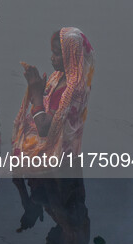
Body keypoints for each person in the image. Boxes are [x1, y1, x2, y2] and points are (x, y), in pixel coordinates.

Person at [12, 27, 95, 159]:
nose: (52, 58)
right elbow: (52, 109)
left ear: (71, 56)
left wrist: (37, 93)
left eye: (56, 54)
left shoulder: (69, 90)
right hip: (69, 155)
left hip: (53, 161)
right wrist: (41, 92)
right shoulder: (66, 78)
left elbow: (44, 129)